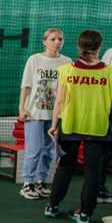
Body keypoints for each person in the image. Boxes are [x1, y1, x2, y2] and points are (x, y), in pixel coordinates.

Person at [45, 30, 112, 223]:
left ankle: (52, 206)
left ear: (79, 47)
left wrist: (54, 124)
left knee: (65, 166)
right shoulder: (109, 72)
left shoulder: (66, 70)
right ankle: (84, 214)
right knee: (93, 172)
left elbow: (60, 100)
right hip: (98, 127)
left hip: (70, 125)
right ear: (99, 47)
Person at [17, 29, 71, 200]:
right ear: (44, 41)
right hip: (35, 113)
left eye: (60, 39)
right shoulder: (34, 60)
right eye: (53, 39)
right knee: (34, 149)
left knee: (49, 151)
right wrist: (22, 108)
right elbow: (26, 86)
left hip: (55, 115)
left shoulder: (67, 62)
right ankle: (27, 183)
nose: (57, 42)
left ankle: (41, 181)